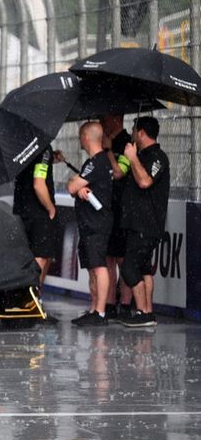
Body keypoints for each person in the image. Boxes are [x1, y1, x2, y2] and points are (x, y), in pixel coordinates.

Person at [118, 116, 170, 328]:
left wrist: (132, 158)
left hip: (146, 225)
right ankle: (147, 311)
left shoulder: (158, 156)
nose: (131, 132)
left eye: (133, 129)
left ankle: (142, 311)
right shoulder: (141, 155)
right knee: (144, 268)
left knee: (129, 267)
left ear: (141, 132)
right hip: (135, 223)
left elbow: (145, 181)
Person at [65, 121, 114, 327]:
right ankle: (94, 308)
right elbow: (75, 186)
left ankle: (100, 311)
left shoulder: (96, 162)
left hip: (97, 224)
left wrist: (76, 186)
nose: (80, 141)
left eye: (80, 137)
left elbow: (71, 186)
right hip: (89, 224)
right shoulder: (96, 162)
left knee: (98, 266)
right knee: (92, 267)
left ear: (86, 137)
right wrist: (77, 187)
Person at [12, 145, 61, 294]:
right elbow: (38, 184)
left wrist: (50, 158)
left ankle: (24, 299)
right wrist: (50, 207)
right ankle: (32, 301)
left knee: (27, 257)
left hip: (21, 208)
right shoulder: (43, 148)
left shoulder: (21, 146)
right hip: (38, 211)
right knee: (41, 256)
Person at [101, 114, 133, 318]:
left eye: (104, 119)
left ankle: (125, 304)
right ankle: (110, 303)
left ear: (115, 119)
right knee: (108, 259)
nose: (102, 123)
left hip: (123, 210)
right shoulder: (105, 142)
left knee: (123, 259)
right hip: (108, 209)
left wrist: (108, 150)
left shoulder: (126, 143)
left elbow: (119, 172)